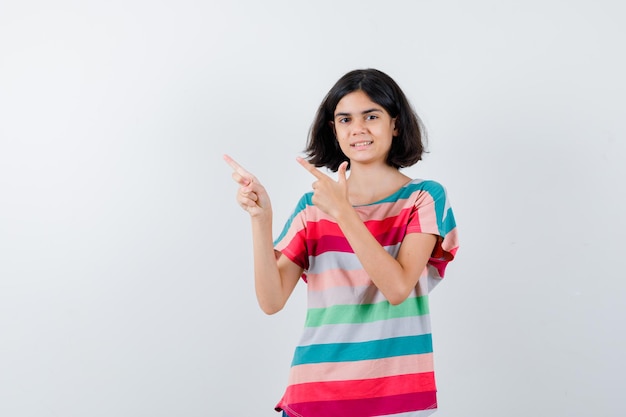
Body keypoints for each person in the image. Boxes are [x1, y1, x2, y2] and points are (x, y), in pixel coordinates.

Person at [224, 68, 459, 417]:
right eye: (345, 119)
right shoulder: (313, 208)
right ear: (334, 130)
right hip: (314, 395)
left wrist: (344, 212)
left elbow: (397, 288)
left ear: (395, 124)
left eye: (372, 116)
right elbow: (271, 301)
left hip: (395, 397)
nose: (358, 129)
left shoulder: (423, 198)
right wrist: (262, 219)